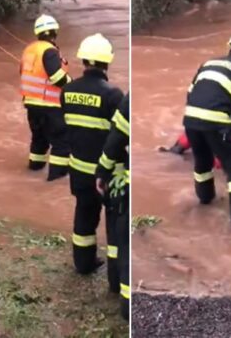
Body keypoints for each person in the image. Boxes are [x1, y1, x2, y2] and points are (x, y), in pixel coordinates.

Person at [183, 32, 231, 231]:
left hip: (191, 119)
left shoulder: (208, 63)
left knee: (203, 161)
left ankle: (205, 199)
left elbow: (191, 93)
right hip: (216, 122)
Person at [60, 33, 123, 274]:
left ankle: (83, 264)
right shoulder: (113, 95)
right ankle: (116, 276)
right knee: (114, 222)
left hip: (78, 170)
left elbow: (68, 130)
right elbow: (120, 137)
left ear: (83, 60)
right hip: (106, 174)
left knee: (84, 216)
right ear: (107, 62)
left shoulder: (67, 91)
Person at [20, 14, 72, 181]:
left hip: (31, 104)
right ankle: (56, 178)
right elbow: (56, 77)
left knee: (39, 140)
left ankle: (34, 169)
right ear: (54, 32)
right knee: (61, 142)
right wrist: (72, 85)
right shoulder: (49, 51)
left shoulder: (29, 49)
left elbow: (23, 73)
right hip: (49, 105)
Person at [96, 93, 130, 320]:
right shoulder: (115, 94)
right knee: (125, 242)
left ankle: (116, 288)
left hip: (124, 184)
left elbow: (116, 140)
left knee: (119, 240)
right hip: (129, 181)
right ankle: (127, 306)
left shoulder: (128, 100)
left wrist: (102, 172)